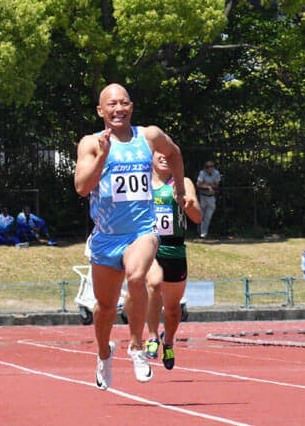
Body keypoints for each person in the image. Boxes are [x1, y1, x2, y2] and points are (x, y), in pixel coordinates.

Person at [74, 83, 184, 389]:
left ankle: (137, 347)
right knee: (105, 307)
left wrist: (181, 188)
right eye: (112, 104)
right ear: (101, 111)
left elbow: (174, 152)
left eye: (123, 103)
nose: (118, 109)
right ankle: (103, 353)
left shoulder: (148, 137)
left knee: (137, 276)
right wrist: (102, 157)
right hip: (107, 237)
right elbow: (82, 188)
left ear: (131, 107)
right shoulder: (90, 144)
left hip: (142, 231)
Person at [141, 150, 202, 370]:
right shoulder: (143, 182)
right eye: (160, 154)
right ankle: (152, 336)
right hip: (150, 246)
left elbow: (197, 217)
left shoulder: (182, 181)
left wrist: (186, 203)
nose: (165, 158)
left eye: (169, 154)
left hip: (175, 250)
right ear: (152, 158)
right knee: (154, 283)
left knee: (173, 309)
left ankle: (168, 342)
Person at [196, 160, 221, 239]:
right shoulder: (202, 173)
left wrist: (205, 185)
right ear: (205, 168)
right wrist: (208, 187)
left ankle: (203, 233)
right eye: (207, 167)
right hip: (202, 197)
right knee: (201, 215)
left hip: (211, 197)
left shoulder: (216, 173)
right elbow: (198, 184)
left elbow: (216, 185)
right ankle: (201, 232)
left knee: (208, 216)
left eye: (211, 166)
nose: (209, 168)